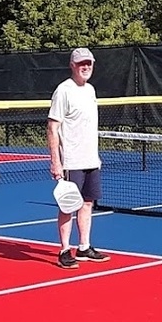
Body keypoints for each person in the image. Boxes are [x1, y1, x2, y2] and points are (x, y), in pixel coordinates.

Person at [47, 47, 110, 269]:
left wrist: (96, 155)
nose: (86, 67)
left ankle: (84, 246)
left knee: (87, 202)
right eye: (81, 63)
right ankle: (65, 250)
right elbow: (53, 127)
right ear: (72, 65)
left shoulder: (90, 90)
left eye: (89, 63)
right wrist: (56, 160)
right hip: (71, 161)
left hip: (91, 158)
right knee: (68, 205)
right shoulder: (63, 91)